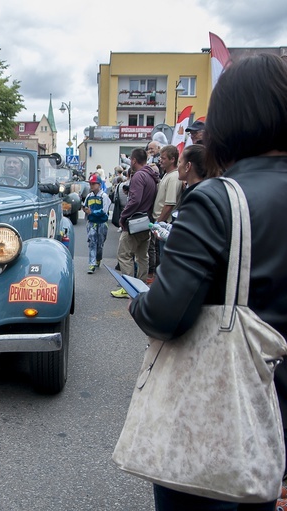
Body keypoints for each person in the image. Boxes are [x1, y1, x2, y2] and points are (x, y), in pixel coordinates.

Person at [128, 53, 287, 511]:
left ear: (226, 124)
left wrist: (140, 302)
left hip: (227, 423)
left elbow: (166, 314)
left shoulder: (218, 200)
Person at [111, 148, 159, 298]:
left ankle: (128, 287)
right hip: (146, 221)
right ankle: (141, 285)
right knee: (142, 255)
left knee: (124, 255)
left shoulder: (138, 176)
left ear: (133, 160)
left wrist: (123, 216)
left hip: (134, 222)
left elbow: (135, 200)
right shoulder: (152, 176)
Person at [82, 174, 111, 274]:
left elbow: (104, 211)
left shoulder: (104, 196)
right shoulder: (89, 196)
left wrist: (92, 212)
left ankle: (98, 258)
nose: (91, 186)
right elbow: (85, 206)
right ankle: (92, 264)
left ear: (99, 184)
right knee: (92, 242)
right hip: (91, 223)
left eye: (93, 184)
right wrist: (85, 210)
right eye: (90, 184)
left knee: (100, 244)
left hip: (102, 223)